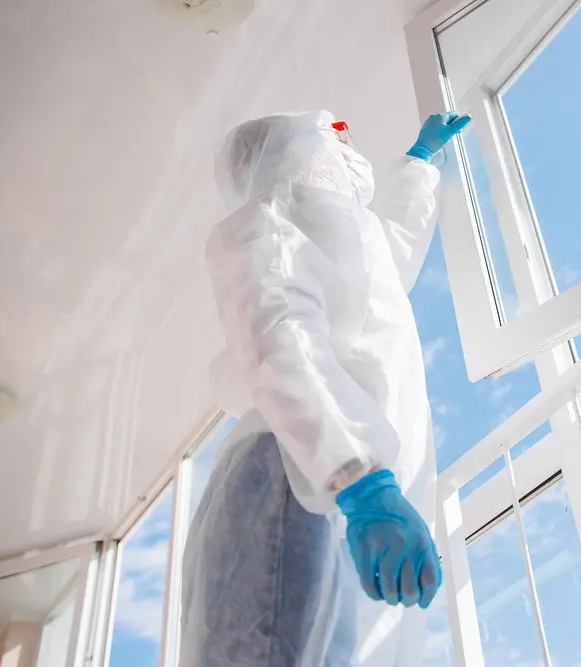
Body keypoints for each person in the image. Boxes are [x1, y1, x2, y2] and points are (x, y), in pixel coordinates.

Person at [180, 109, 471, 667]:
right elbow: (281, 339)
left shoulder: (345, 236)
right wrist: (359, 479)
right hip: (294, 469)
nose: (348, 153)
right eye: (336, 142)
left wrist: (417, 163)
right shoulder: (271, 223)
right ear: (288, 152)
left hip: (332, 478)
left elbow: (391, 251)